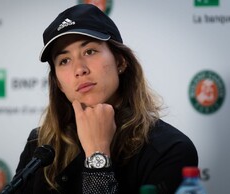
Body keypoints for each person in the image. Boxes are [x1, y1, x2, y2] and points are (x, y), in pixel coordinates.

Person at [13, 4, 198, 194]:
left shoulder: (170, 149)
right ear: (58, 83)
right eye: (64, 61)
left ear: (120, 61)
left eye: (89, 51)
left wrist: (97, 154)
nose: (79, 69)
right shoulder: (40, 144)